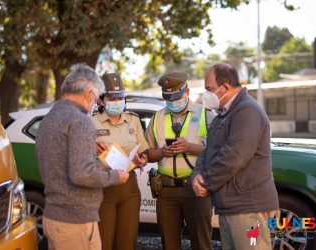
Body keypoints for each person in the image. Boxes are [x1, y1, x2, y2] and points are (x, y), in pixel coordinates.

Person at [36, 63, 129, 250]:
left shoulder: (49, 118)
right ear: (88, 94)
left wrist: (100, 167)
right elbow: (81, 174)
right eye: (95, 98)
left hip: (54, 216)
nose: (95, 103)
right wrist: (115, 176)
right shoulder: (81, 121)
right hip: (75, 222)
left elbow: (63, 164)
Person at [191, 63, 279, 250]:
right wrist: (196, 174)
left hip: (249, 208)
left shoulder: (248, 111)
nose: (206, 95)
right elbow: (207, 151)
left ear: (225, 87)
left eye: (209, 89)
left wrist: (206, 182)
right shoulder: (221, 116)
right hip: (232, 206)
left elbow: (234, 156)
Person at [146, 72, 213, 250]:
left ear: (188, 91)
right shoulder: (157, 118)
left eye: (177, 97)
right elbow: (147, 154)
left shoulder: (206, 115)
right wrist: (161, 152)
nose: (173, 103)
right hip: (166, 192)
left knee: (201, 243)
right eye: (169, 99)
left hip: (197, 190)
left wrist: (190, 147)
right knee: (169, 244)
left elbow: (218, 151)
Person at [92, 73, 149, 250]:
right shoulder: (90, 122)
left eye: (121, 97)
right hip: (103, 187)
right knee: (104, 242)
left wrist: (143, 158)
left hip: (129, 187)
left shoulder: (133, 120)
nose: (117, 101)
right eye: (112, 98)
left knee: (127, 242)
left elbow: (143, 150)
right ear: (101, 100)